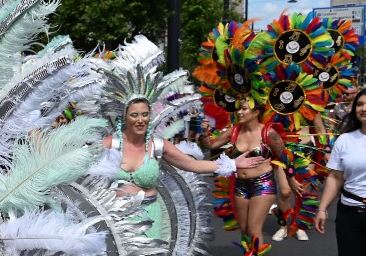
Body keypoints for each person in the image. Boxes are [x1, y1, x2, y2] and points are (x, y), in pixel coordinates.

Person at [104, 98, 263, 241]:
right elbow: (83, 168)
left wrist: (233, 164)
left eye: (144, 114)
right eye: (134, 115)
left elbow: (193, 165)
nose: (140, 120)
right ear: (125, 117)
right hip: (116, 217)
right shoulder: (112, 143)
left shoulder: (158, 144)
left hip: (148, 216)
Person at [202, 98, 297, 256]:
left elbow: (285, 156)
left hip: (263, 185)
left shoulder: (267, 132)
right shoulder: (234, 131)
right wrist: (205, 133)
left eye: (244, 109)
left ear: (255, 113)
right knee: (244, 228)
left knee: (254, 227)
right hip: (240, 185)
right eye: (239, 108)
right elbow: (211, 145)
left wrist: (291, 179)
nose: (240, 112)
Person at [314, 87, 366, 256]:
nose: (364, 108)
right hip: (350, 212)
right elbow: (335, 177)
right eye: (360, 104)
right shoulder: (345, 140)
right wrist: (323, 208)